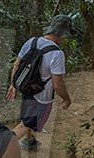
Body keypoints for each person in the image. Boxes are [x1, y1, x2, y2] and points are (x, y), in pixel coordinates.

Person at [6, 15, 73, 149]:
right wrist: (67, 99)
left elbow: (16, 65)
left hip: (26, 88)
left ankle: (29, 141)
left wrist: (14, 85)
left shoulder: (32, 42)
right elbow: (57, 85)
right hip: (41, 96)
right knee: (27, 123)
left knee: (28, 118)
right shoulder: (57, 54)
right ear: (62, 35)